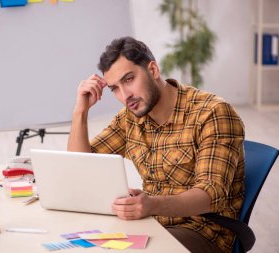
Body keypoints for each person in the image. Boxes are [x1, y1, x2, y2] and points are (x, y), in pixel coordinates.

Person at [67, 36, 245, 253]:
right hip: (151, 224)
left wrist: (151, 204)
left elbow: (210, 195)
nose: (125, 96)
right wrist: (81, 111)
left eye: (129, 79)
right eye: (114, 88)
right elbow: (81, 169)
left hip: (203, 231)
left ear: (152, 70)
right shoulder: (130, 118)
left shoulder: (212, 113)